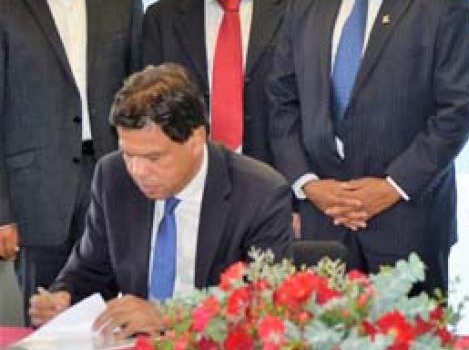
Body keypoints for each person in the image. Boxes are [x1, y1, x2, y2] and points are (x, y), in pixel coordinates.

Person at [267, 0, 469, 296]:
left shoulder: (440, 1)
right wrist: (308, 184)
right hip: (323, 221)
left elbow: (459, 109)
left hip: (407, 217)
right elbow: (282, 102)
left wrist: (393, 186)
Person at [28, 64, 294, 337]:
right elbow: (90, 270)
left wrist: (168, 316)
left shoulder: (260, 194)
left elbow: (262, 306)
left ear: (196, 138)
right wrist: (63, 298)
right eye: (129, 154)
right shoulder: (113, 176)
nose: (138, 171)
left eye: (154, 158)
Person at [0, 0, 143, 319]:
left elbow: (142, 95)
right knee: (47, 324)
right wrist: (2, 212)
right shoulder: (5, 4)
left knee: (115, 321)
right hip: (36, 195)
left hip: (116, 181)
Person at [142, 0, 293, 167]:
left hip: (275, 173)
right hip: (187, 173)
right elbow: (150, 104)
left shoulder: (295, 6)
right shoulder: (162, 16)